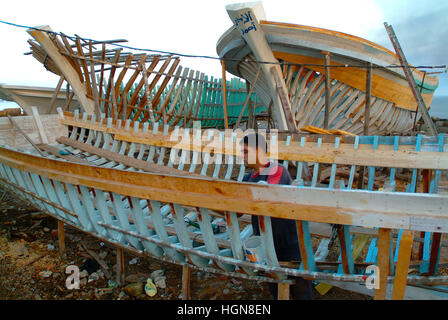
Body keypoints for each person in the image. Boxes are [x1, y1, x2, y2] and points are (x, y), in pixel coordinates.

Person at [240, 132, 314, 300]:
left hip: (288, 243)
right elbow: (239, 209)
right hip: (265, 243)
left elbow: (267, 198)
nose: (242, 156)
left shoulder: (277, 170)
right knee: (275, 288)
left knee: (301, 289)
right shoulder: (247, 178)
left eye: (245, 151)